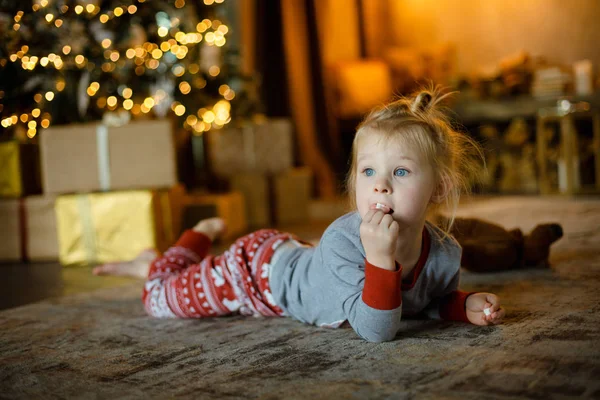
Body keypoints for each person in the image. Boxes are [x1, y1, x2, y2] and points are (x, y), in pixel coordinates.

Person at [96, 87, 513, 342]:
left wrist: (464, 305)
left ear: (438, 188)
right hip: (255, 275)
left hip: (293, 258)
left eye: (400, 172)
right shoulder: (341, 239)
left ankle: (160, 262)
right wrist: (380, 259)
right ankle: (174, 250)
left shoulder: (442, 253)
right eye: (368, 171)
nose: (380, 185)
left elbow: (422, 303)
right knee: (158, 299)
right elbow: (377, 330)